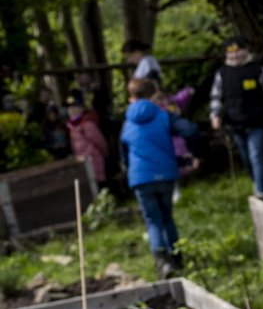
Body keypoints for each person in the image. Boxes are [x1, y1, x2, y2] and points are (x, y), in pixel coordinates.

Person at [120, 76, 184, 278]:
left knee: (152, 220)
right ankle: (177, 258)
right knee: (167, 216)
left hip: (140, 177)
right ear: (154, 94)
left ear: (131, 97)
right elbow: (189, 130)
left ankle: (162, 262)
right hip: (165, 174)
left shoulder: (127, 122)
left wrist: (127, 168)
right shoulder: (163, 116)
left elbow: (122, 152)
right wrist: (190, 156)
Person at [208, 37, 263, 194]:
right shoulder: (222, 74)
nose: (235, 56)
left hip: (256, 121)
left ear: (246, 51)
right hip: (235, 123)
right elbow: (216, 97)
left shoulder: (258, 70)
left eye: (238, 51)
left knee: (256, 155)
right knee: (246, 159)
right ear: (226, 55)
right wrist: (215, 115)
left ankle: (261, 192)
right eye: (231, 53)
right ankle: (255, 181)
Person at [65, 91, 109, 186]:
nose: (72, 110)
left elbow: (101, 143)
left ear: (82, 108)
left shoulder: (88, 124)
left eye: (75, 107)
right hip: (83, 165)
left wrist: (104, 155)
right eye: (69, 107)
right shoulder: (71, 127)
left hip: (95, 163)